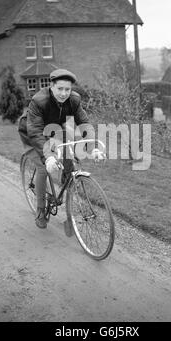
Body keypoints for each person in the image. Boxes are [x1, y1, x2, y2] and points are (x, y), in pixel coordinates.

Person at [24, 68, 104, 229]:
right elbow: (36, 132)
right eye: (60, 89)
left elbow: (84, 124)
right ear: (51, 86)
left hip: (55, 129)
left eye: (67, 89)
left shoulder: (74, 100)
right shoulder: (39, 100)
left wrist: (93, 147)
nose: (63, 93)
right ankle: (40, 210)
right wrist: (49, 157)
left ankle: (66, 179)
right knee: (43, 168)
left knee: (70, 158)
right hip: (33, 131)